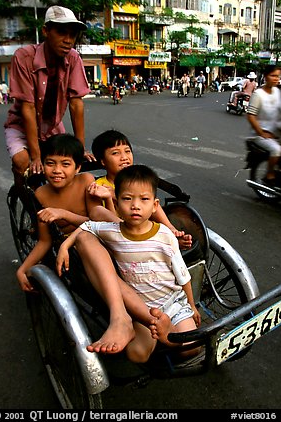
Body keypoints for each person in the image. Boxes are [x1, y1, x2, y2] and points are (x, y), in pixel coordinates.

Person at [57, 164, 202, 363]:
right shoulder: (113, 231)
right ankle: (165, 334)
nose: (135, 205)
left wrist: (192, 305)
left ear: (154, 205)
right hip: (142, 308)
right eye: (127, 199)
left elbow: (182, 274)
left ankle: (168, 338)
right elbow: (87, 226)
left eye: (144, 199)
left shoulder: (164, 235)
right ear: (117, 204)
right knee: (137, 355)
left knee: (191, 350)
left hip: (174, 303)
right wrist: (65, 245)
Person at [4, 5, 95, 191]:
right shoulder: (24, 57)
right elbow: (27, 107)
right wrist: (35, 155)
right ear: (46, 31)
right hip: (21, 125)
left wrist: (79, 149)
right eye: (61, 33)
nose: (68, 40)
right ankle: (21, 194)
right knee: (23, 162)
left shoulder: (74, 58)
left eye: (72, 34)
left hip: (52, 126)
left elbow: (76, 104)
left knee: (66, 165)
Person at [16, 133, 116, 292]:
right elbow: (44, 241)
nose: (57, 170)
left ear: (77, 167)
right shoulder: (41, 194)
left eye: (65, 164)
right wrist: (22, 269)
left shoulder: (86, 181)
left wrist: (63, 214)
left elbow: (95, 222)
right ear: (42, 164)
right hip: (72, 251)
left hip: (97, 237)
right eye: (50, 163)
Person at [88, 129, 193, 249]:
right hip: (117, 234)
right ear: (102, 161)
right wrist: (112, 197)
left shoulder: (137, 181)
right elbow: (101, 218)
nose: (124, 157)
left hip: (142, 224)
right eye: (115, 153)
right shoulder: (98, 186)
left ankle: (170, 230)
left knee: (148, 199)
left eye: (127, 151)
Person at [246, 65, 281, 187]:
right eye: (273, 75)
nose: (276, 79)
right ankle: (269, 175)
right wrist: (262, 133)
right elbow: (251, 116)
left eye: (277, 76)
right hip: (260, 134)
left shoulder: (277, 92)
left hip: (276, 132)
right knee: (276, 150)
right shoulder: (258, 94)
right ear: (266, 77)